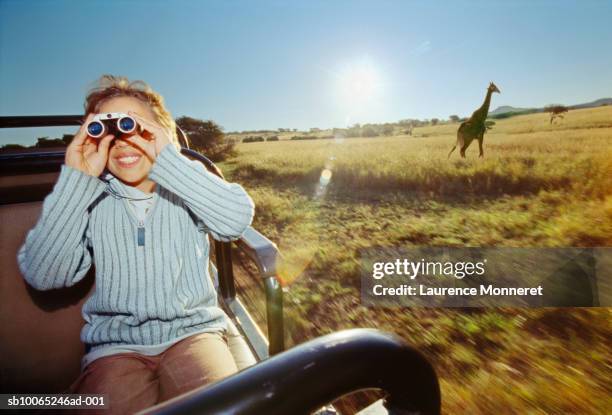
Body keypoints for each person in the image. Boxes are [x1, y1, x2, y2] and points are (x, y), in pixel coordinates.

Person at [17, 75, 255, 414]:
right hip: (115, 347)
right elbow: (45, 275)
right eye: (106, 130)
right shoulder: (89, 200)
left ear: (163, 136)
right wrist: (76, 181)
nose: (123, 141)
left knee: (221, 407)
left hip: (194, 333)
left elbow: (234, 219)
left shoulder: (186, 188)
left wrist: (170, 161)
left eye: (135, 127)